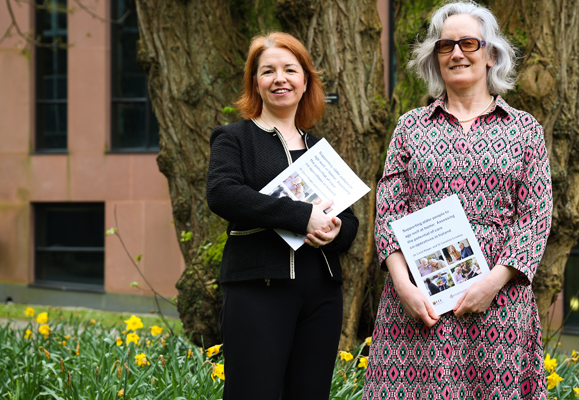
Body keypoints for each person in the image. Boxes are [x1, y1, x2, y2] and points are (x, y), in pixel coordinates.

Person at [366, 2, 553, 399]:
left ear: (490, 55)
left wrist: (492, 284)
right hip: (419, 303)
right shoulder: (409, 127)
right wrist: (402, 285)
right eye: (445, 45)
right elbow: (388, 210)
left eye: (468, 43)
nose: (456, 53)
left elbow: (536, 215)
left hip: (498, 300)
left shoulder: (525, 129)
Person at [206, 32, 359, 400]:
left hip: (321, 295)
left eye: (290, 70)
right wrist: (301, 216)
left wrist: (334, 230)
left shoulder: (319, 147)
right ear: (255, 83)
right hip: (258, 289)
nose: (280, 79)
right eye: (268, 71)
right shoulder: (234, 138)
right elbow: (222, 194)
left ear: (305, 81)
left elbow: (351, 224)